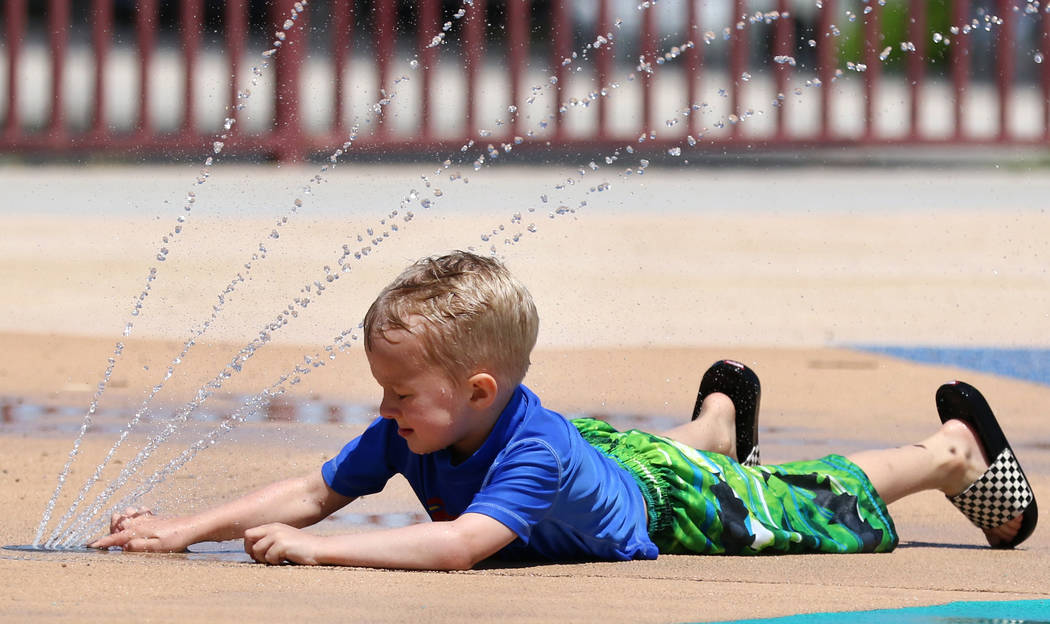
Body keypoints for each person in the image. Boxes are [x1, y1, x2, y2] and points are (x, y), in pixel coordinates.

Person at [90, 251, 1038, 566]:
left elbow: (460, 545)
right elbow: (309, 485)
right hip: (610, 459)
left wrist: (319, 551)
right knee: (647, 460)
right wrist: (184, 530)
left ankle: (949, 453)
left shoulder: (524, 451)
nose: (382, 410)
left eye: (399, 394)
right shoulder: (421, 426)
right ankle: (713, 424)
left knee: (807, 501)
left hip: (675, 507)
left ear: (476, 394)